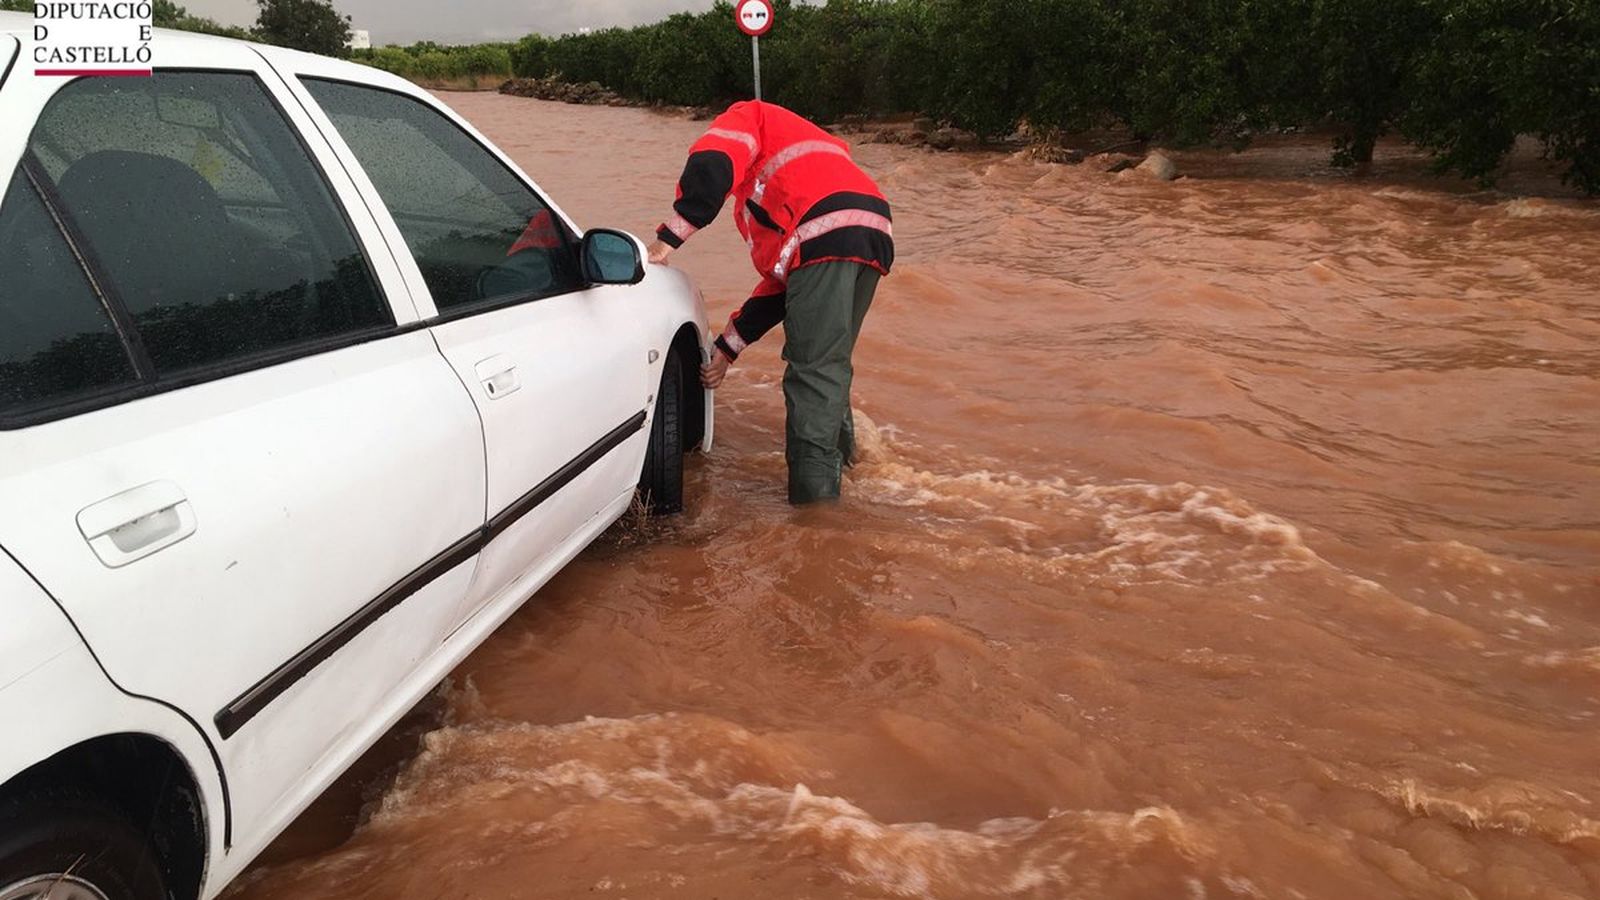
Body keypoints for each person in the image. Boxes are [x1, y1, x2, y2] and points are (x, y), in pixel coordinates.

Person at [647, 100, 894, 505]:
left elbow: (712, 162)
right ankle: (850, 467)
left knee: (812, 371)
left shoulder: (746, 116)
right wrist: (726, 350)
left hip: (823, 228)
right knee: (828, 360)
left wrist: (669, 239)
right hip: (874, 228)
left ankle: (815, 514)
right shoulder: (800, 148)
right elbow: (782, 288)